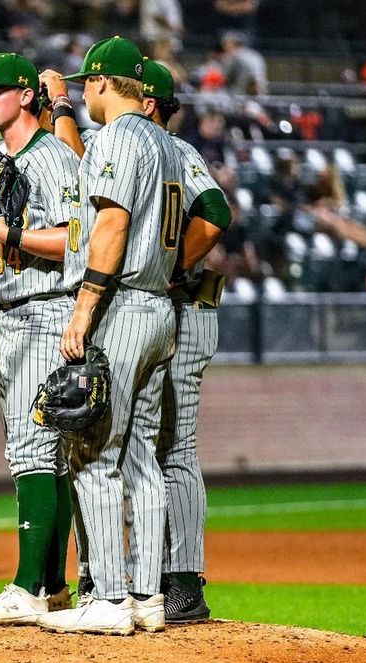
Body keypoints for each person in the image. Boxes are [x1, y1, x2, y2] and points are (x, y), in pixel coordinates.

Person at [34, 36, 182, 636]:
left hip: (120, 305)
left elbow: (113, 221)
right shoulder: (165, 144)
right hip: (160, 308)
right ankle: (147, 595)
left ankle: (110, 599)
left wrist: (84, 306)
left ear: (97, 84)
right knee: (143, 454)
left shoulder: (119, 136)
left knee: (91, 449)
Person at [0, 52, 79, 626]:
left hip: (48, 312)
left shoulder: (51, 158)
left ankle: (29, 587)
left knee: (36, 453)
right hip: (9, 312)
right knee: (45, 458)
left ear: (26, 95)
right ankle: (52, 587)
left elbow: (78, 240)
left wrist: (10, 230)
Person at [138, 58, 230, 624]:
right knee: (154, 444)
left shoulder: (177, 153)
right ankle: (156, 572)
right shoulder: (152, 155)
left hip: (185, 307)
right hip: (167, 309)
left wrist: (172, 266)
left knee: (176, 447)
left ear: (148, 103)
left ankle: (185, 580)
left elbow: (216, 214)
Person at [220, 30, 267, 96]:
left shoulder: (233, 56)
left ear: (233, 43)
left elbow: (225, 78)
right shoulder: (255, 54)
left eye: (226, 44)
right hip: (259, 94)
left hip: (241, 96)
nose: (224, 47)